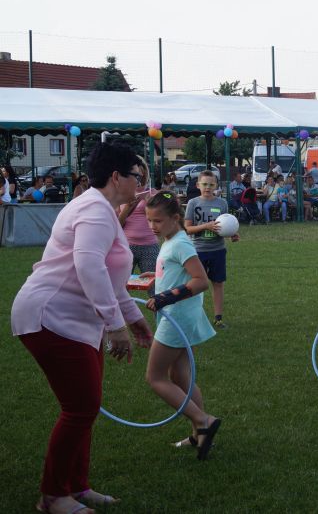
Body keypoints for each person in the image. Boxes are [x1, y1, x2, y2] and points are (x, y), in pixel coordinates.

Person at [11, 142, 154, 513]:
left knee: (84, 407)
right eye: (136, 176)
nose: (139, 184)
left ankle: (76, 486)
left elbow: (110, 276)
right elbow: (88, 266)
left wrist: (133, 319)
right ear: (116, 177)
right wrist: (115, 325)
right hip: (51, 317)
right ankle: (53, 496)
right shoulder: (93, 209)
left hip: (76, 322)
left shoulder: (102, 210)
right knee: (80, 408)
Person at [142, 191, 221, 459]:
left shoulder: (180, 244)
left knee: (155, 377)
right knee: (180, 377)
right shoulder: (170, 240)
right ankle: (199, 433)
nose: (152, 226)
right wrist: (156, 276)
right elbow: (179, 273)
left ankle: (203, 421)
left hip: (177, 319)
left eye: (158, 221)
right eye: (149, 220)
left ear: (175, 218)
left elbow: (201, 281)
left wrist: (165, 296)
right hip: (179, 316)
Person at [185, 170, 240, 328]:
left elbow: (225, 225)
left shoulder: (222, 203)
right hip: (198, 251)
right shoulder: (193, 203)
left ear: (216, 186)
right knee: (196, 285)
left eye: (211, 184)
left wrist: (232, 234)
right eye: (204, 184)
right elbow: (187, 229)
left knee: (218, 283)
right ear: (198, 185)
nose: (208, 187)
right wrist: (206, 226)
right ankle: (194, 317)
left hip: (218, 250)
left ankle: (218, 318)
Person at [118, 159, 159, 295]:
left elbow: (161, 219)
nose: (137, 178)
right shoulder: (122, 194)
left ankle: (158, 309)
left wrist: (151, 205)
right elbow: (118, 224)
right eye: (134, 175)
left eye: (140, 174)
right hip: (127, 245)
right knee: (120, 286)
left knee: (154, 288)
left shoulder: (152, 193)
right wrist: (128, 207)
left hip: (149, 245)